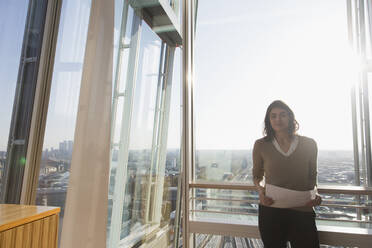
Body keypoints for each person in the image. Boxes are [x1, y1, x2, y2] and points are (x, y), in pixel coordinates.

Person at [252, 100, 322, 248]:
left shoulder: (309, 144)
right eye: (273, 116)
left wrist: (316, 194)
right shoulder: (261, 145)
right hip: (271, 210)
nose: (278, 119)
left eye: (283, 115)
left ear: (290, 118)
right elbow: (256, 176)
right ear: (268, 120)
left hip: (303, 211)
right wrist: (260, 192)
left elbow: (312, 176)